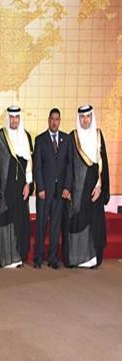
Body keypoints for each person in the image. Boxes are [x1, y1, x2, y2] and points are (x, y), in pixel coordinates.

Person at [66, 105, 110, 268]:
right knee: (78, 220)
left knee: (93, 221)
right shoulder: (73, 137)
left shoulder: (98, 135)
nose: (85, 120)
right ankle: (77, 258)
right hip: (77, 190)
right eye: (82, 117)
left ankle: (92, 258)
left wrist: (100, 187)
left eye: (88, 117)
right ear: (79, 119)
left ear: (92, 118)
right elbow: (68, 165)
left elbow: (103, 164)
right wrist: (68, 188)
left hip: (94, 190)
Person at [0, 106, 33, 268]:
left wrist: (28, 184)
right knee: (6, 221)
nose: (14, 120)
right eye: (11, 117)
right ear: (8, 118)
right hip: (6, 188)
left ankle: (18, 257)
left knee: (19, 221)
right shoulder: (1, 136)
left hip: (21, 188)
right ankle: (6, 258)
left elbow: (29, 164)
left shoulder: (26, 136)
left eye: (17, 117)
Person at [33, 108, 70, 269]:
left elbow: (69, 165)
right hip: (44, 191)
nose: (54, 122)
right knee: (41, 225)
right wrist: (40, 187)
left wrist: (67, 187)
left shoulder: (66, 139)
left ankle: (53, 257)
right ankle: (38, 257)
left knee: (55, 226)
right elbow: (37, 166)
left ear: (59, 121)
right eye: (52, 119)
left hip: (60, 190)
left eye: (57, 119)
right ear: (48, 120)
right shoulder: (40, 139)